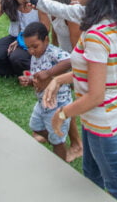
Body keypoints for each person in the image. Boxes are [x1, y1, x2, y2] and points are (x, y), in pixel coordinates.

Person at [39, 0, 117, 202]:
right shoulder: (111, 19)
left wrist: (62, 113)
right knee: (91, 176)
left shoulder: (96, 35)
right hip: (100, 117)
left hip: (104, 122)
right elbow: (98, 75)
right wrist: (60, 79)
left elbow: (95, 94)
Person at [20, 22, 73, 160]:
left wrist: (49, 73)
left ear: (46, 40)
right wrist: (30, 80)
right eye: (28, 48)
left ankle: (61, 160)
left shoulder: (53, 52)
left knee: (58, 141)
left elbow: (70, 61)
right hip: (42, 103)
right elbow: (39, 76)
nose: (31, 51)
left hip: (58, 104)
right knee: (35, 127)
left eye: (35, 46)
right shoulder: (35, 56)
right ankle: (54, 141)